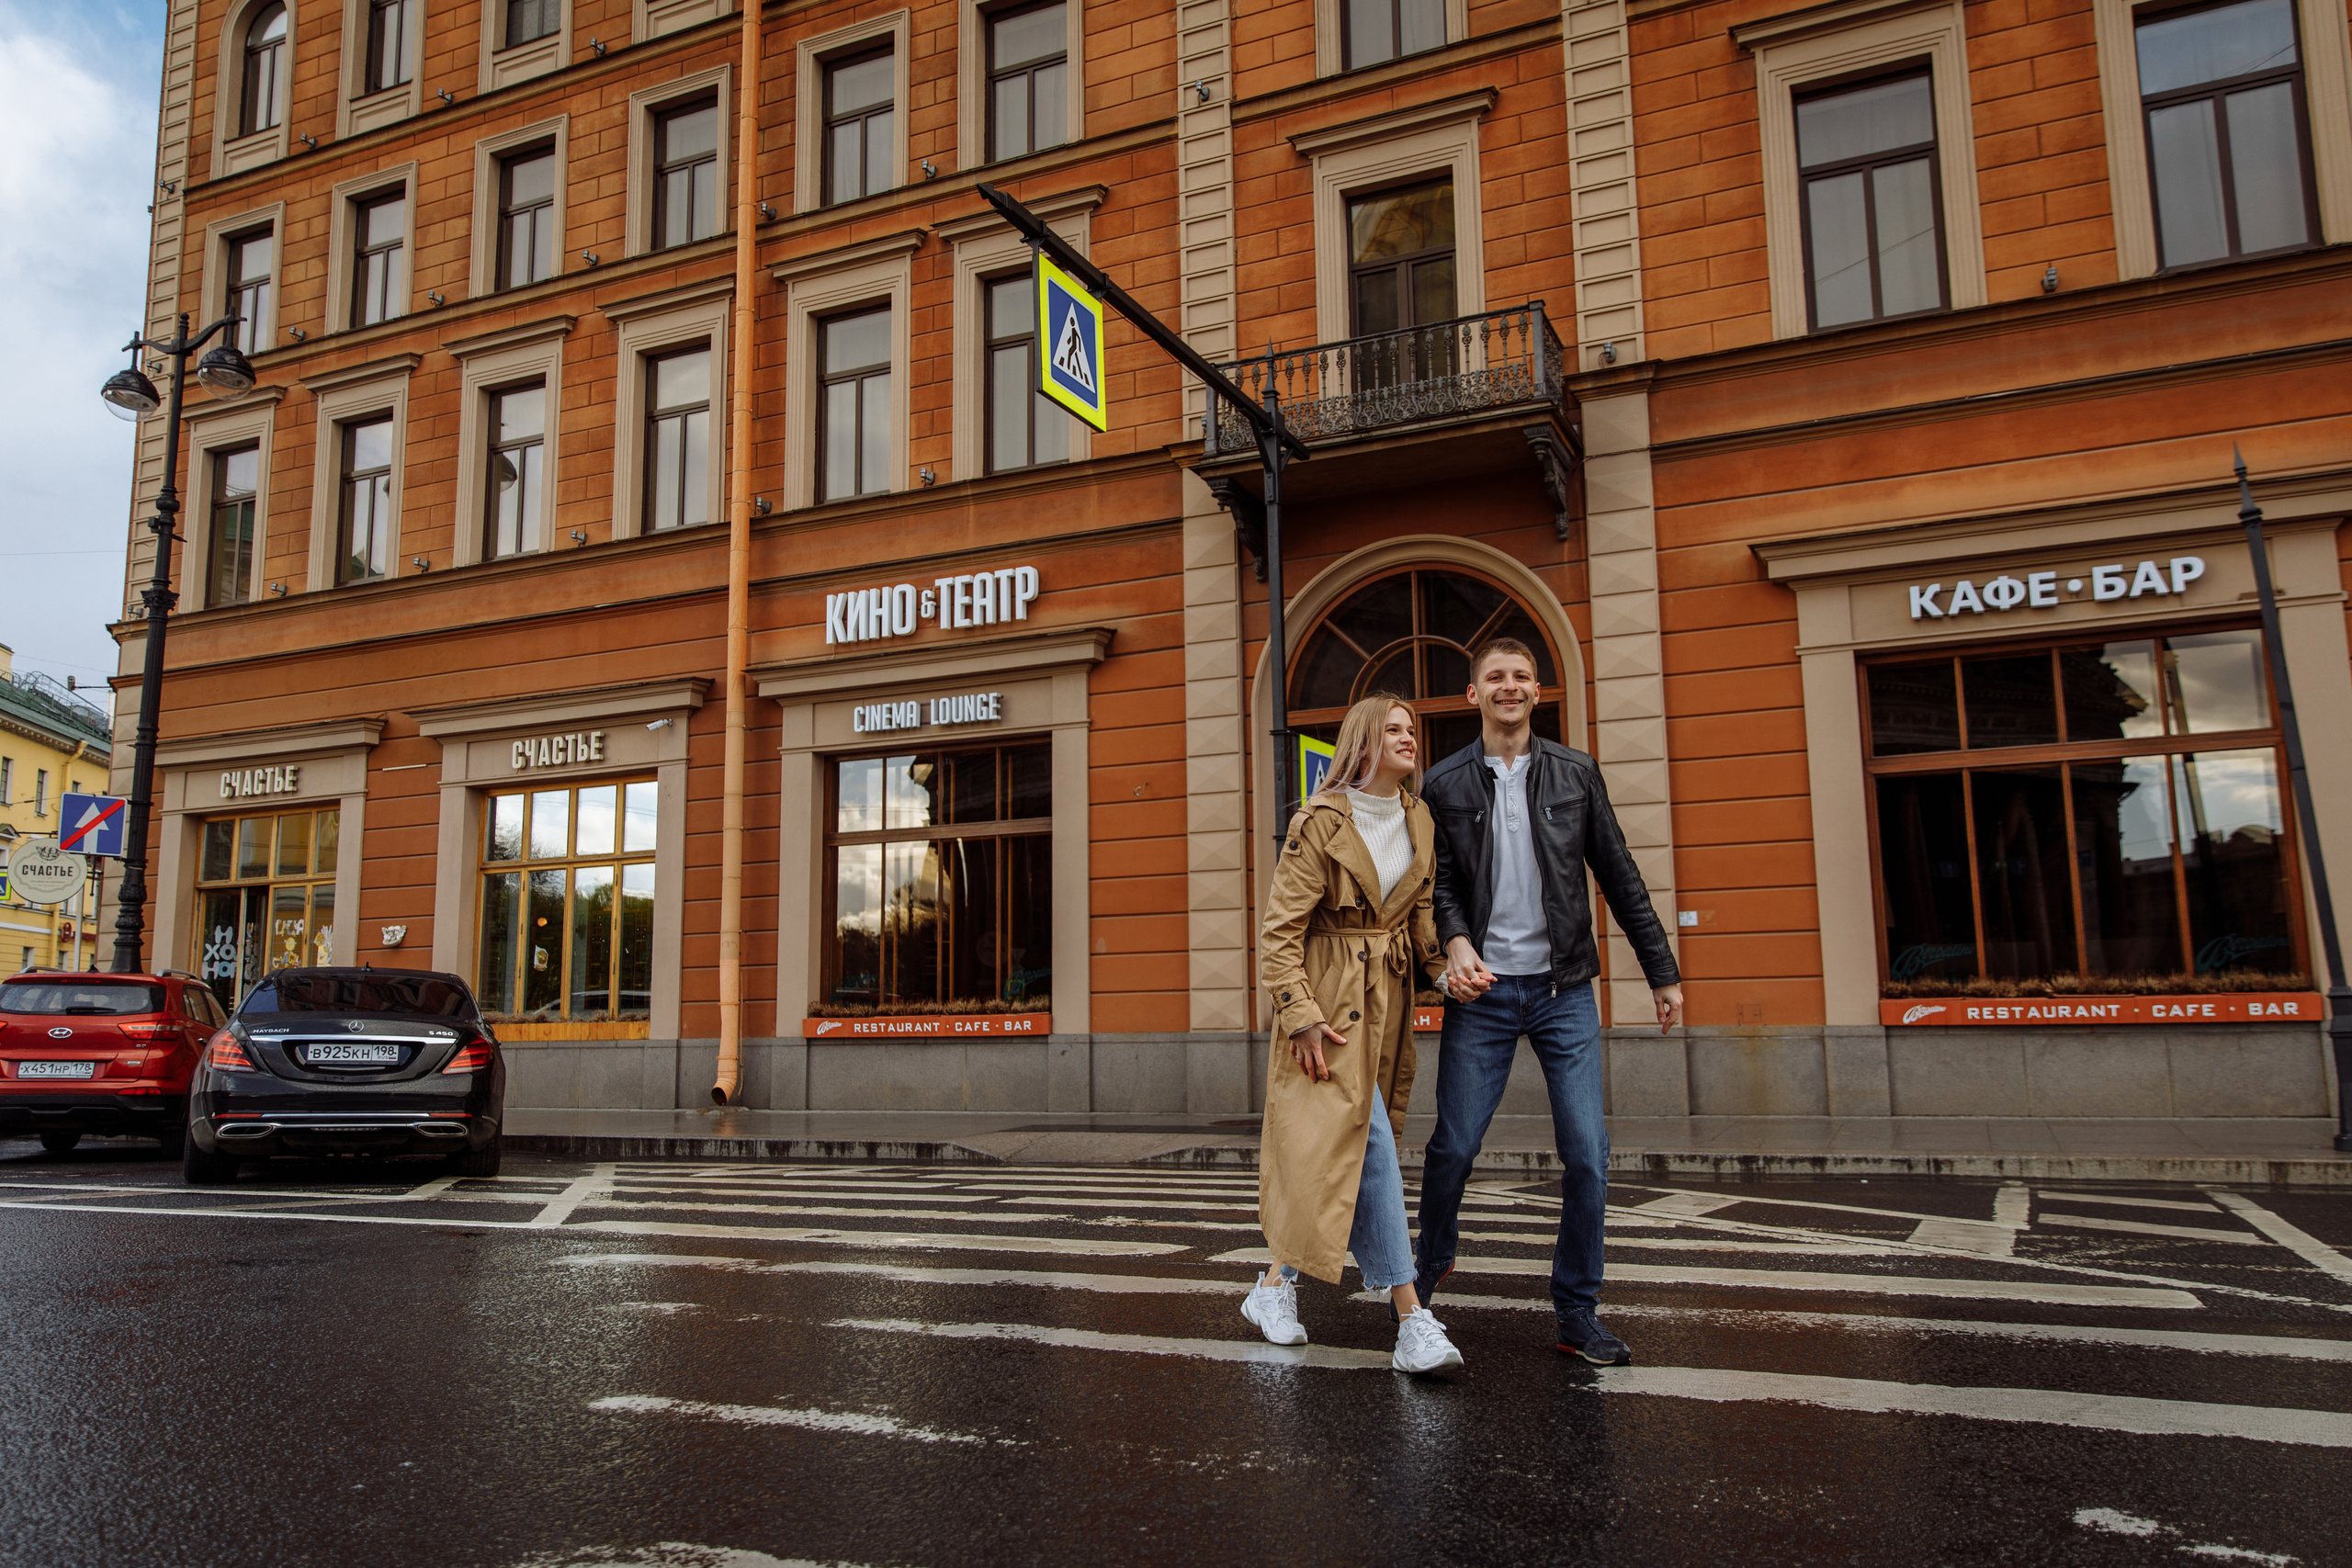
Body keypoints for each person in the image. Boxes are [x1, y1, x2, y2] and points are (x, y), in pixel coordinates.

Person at [1413, 637, 1683, 1365]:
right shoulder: (1443, 784)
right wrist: (1457, 940)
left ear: (1538, 690)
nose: (1509, 687)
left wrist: (1662, 970)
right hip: (1484, 994)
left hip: (1564, 991)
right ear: (1473, 694)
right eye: (1495, 677)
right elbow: (1433, 884)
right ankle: (1424, 1284)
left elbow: (1620, 874)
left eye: (1521, 677)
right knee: (1454, 1147)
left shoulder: (1575, 773)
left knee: (1588, 1156)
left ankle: (1576, 1311)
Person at [1246, 694, 1463, 1375]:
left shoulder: (1418, 817)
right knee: (1366, 1143)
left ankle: (1273, 1286)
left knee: (1347, 1150)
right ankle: (1410, 1317)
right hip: (1330, 1004)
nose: (1408, 739)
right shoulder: (1318, 821)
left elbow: (1420, 917)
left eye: (1412, 730)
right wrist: (1300, 1014)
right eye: (1394, 729)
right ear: (1364, 742)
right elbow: (1280, 932)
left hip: (1388, 1000)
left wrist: (1449, 967)